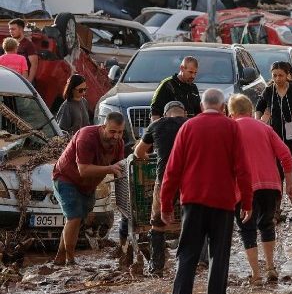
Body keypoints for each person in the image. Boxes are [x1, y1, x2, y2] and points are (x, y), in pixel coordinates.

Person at [161, 89, 253, 294]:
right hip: (222, 203)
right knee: (218, 256)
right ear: (223, 108)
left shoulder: (188, 127)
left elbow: (172, 170)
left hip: (192, 201)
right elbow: (243, 168)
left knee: (187, 254)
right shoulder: (231, 127)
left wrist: (165, 203)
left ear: (202, 106)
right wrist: (247, 201)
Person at [227, 94, 292, 285]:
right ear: (250, 111)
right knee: (266, 225)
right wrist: (289, 182)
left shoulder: (230, 130)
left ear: (231, 114)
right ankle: (271, 267)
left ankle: (256, 274)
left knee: (246, 229)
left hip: (242, 188)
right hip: (270, 186)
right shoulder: (265, 128)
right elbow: (286, 155)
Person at [52, 115, 126, 266]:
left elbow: (120, 167)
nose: (116, 136)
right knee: (74, 217)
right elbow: (83, 170)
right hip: (66, 178)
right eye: (112, 132)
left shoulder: (119, 143)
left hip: (88, 185)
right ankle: (71, 261)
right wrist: (109, 168)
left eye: (120, 132)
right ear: (103, 127)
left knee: (76, 220)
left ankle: (59, 259)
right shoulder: (86, 137)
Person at [133, 101, 188, 277]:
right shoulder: (190, 124)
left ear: (165, 114)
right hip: (190, 179)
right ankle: (198, 263)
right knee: (194, 220)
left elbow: (138, 153)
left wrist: (150, 155)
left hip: (165, 178)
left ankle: (157, 268)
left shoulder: (156, 125)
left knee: (158, 224)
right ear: (184, 113)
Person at [255, 61, 292, 221]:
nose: (278, 78)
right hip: (275, 139)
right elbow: (259, 106)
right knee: (276, 176)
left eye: (281, 75)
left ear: (287, 75)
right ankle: (276, 212)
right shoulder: (269, 91)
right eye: (274, 75)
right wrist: (258, 119)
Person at [8, 19, 38, 84]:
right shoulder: (9, 44)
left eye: (13, 29)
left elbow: (34, 64)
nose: (10, 31)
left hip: (24, 80)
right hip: (10, 80)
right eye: (10, 29)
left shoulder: (28, 44)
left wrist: (29, 82)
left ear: (21, 29)